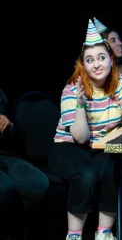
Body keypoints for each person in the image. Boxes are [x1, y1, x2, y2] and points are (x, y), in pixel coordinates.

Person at [48, 19, 122, 240]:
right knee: (86, 174)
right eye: (90, 60)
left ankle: (104, 233)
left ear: (111, 59)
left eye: (101, 58)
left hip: (100, 146)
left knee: (110, 169)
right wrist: (81, 104)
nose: (97, 64)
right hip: (68, 146)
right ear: (84, 64)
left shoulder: (120, 82)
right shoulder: (73, 88)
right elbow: (80, 137)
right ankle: (74, 235)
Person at [0, 86, 50, 237]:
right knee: (5, 189)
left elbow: (16, 135)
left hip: (4, 155)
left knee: (38, 184)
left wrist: (8, 125)